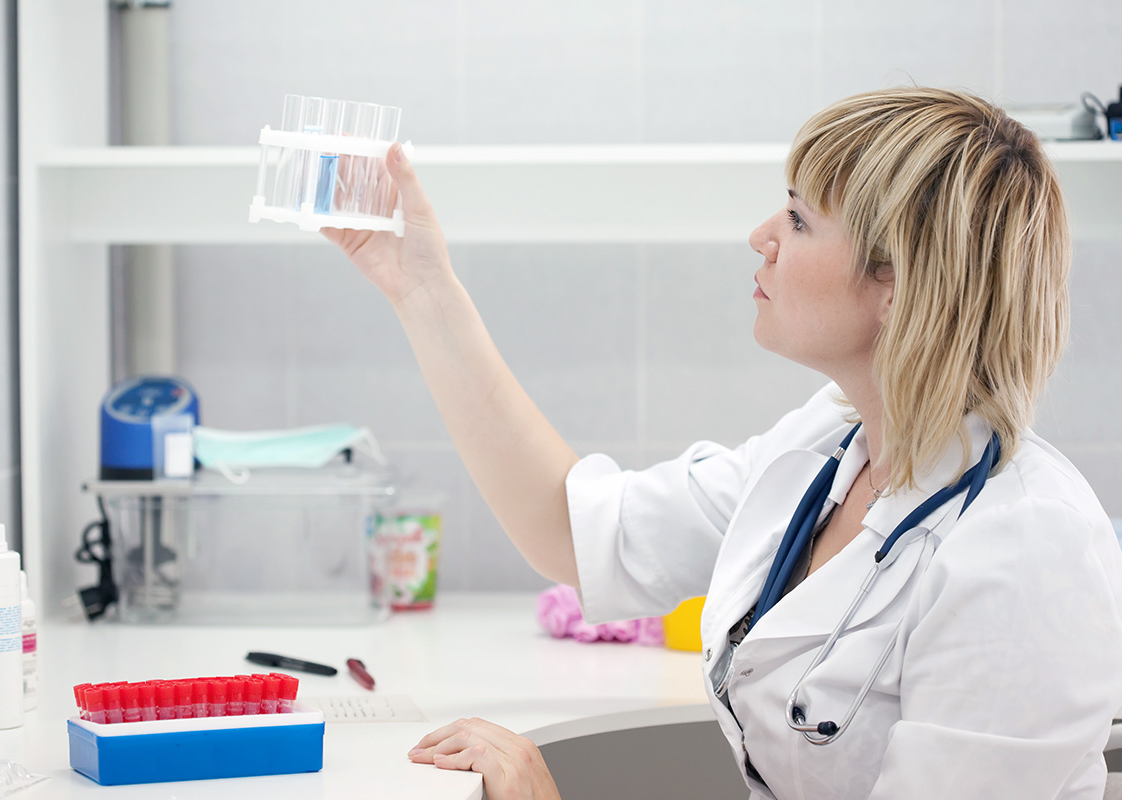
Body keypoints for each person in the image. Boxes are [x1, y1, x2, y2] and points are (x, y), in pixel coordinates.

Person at [324, 87, 1122, 800]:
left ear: (898, 283)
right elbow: (576, 531)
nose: (761, 236)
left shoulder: (1026, 549)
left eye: (799, 219)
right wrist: (421, 287)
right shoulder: (825, 448)